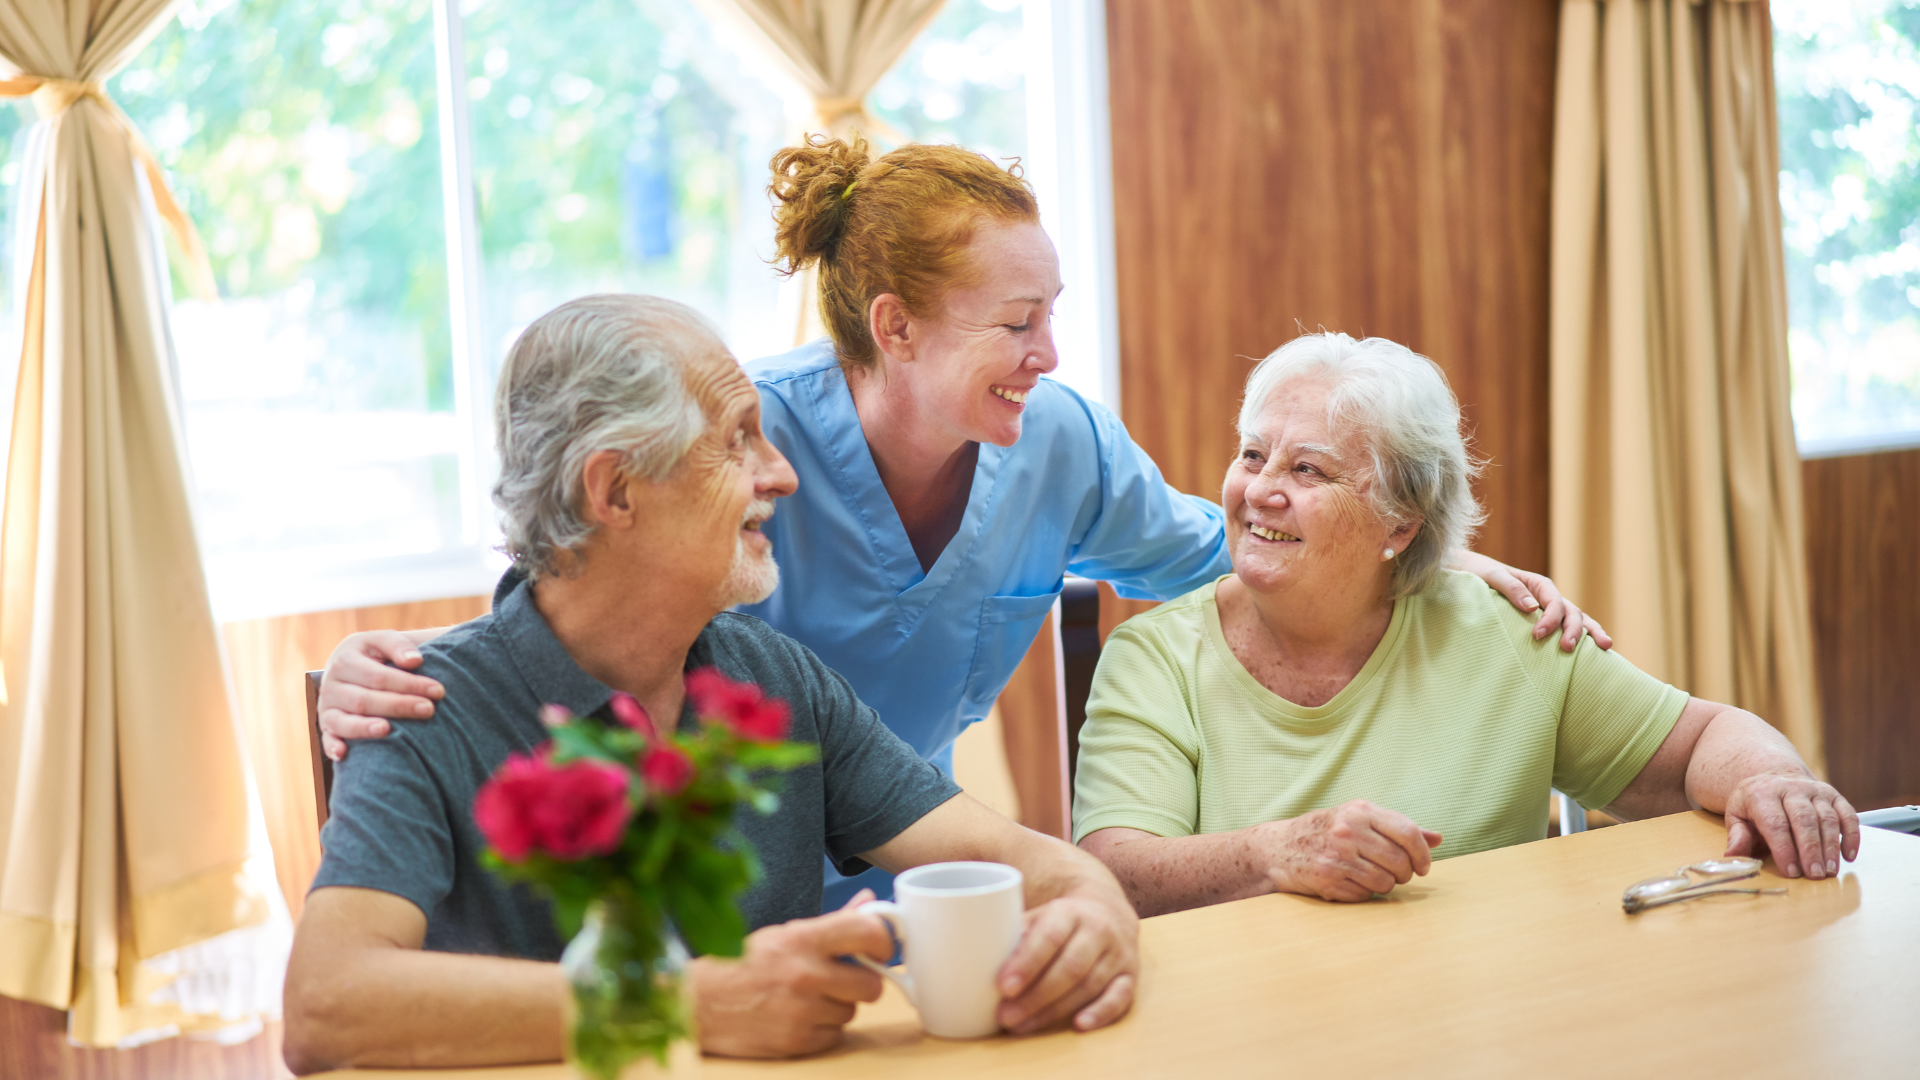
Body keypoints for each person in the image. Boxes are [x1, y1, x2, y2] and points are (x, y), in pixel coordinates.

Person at [312, 137, 1607, 908]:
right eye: (1017, 322)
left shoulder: (1056, 444)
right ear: (897, 327)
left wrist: (1440, 550)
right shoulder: (742, 443)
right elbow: (570, 607)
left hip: (925, 880)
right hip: (710, 893)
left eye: (1054, 313)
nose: (1051, 351)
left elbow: (1252, 539)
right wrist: (391, 673)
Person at [281, 296, 1139, 1074]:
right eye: (738, 440)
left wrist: (1094, 915)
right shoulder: (419, 707)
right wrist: (694, 1002)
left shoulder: (773, 678)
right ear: (615, 490)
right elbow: (324, 1005)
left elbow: (1039, 870)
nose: (782, 474)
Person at [1072, 332, 1859, 917]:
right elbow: (1119, 870)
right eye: (1252, 455)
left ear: (1400, 524)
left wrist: (1771, 779)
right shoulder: (1156, 657)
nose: (1258, 490)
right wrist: (1276, 852)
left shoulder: (1504, 633)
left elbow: (1699, 743)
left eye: (1307, 469)